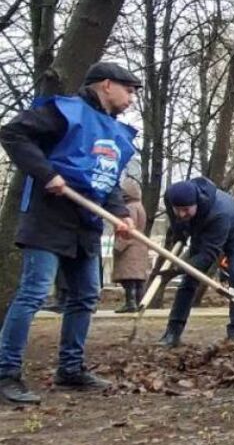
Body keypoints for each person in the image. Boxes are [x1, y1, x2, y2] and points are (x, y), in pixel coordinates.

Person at [0, 61, 139, 403]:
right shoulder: (65, 112)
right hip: (50, 217)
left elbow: (107, 182)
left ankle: (70, 369)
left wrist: (121, 214)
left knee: (85, 296)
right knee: (34, 292)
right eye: (129, 90)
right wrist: (46, 173)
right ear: (107, 85)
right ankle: (6, 372)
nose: (132, 99)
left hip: (86, 224)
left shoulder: (116, 134)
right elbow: (12, 133)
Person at [158, 177, 234, 347]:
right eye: (177, 210)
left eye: (186, 210)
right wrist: (179, 233)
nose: (181, 214)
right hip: (204, 230)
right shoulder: (171, 198)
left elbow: (208, 255)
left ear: (196, 203)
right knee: (189, 281)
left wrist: (178, 268)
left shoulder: (219, 214)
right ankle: (172, 333)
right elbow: (176, 221)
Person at [112, 176, 149, 312]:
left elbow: (127, 231)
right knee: (138, 279)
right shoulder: (140, 206)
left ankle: (130, 303)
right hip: (140, 246)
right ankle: (139, 303)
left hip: (129, 248)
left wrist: (118, 246)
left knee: (129, 279)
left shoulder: (129, 209)